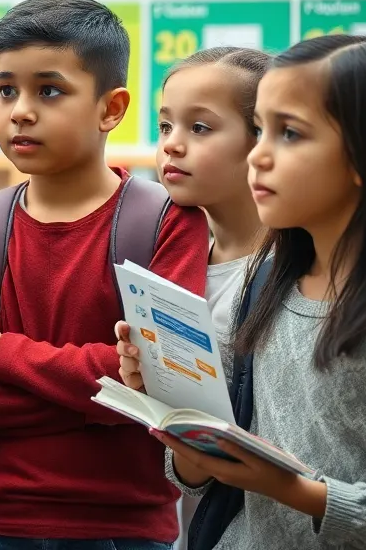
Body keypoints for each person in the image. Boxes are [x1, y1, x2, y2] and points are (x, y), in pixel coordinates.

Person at [0, 0, 209, 549]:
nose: (20, 110)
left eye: (49, 90)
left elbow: (167, 381)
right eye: (6, 89)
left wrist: (0, 353)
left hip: (126, 531)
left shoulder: (168, 223)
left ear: (112, 107)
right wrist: (110, 398)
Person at [124, 35, 366, 549]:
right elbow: (200, 475)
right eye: (259, 130)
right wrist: (169, 395)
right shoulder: (266, 289)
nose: (259, 155)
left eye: (288, 133)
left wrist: (296, 491)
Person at [115, 47, 269, 550]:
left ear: (261, 140)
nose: (171, 146)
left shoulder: (295, 277)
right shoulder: (170, 267)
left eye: (199, 128)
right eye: (164, 127)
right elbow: (188, 466)